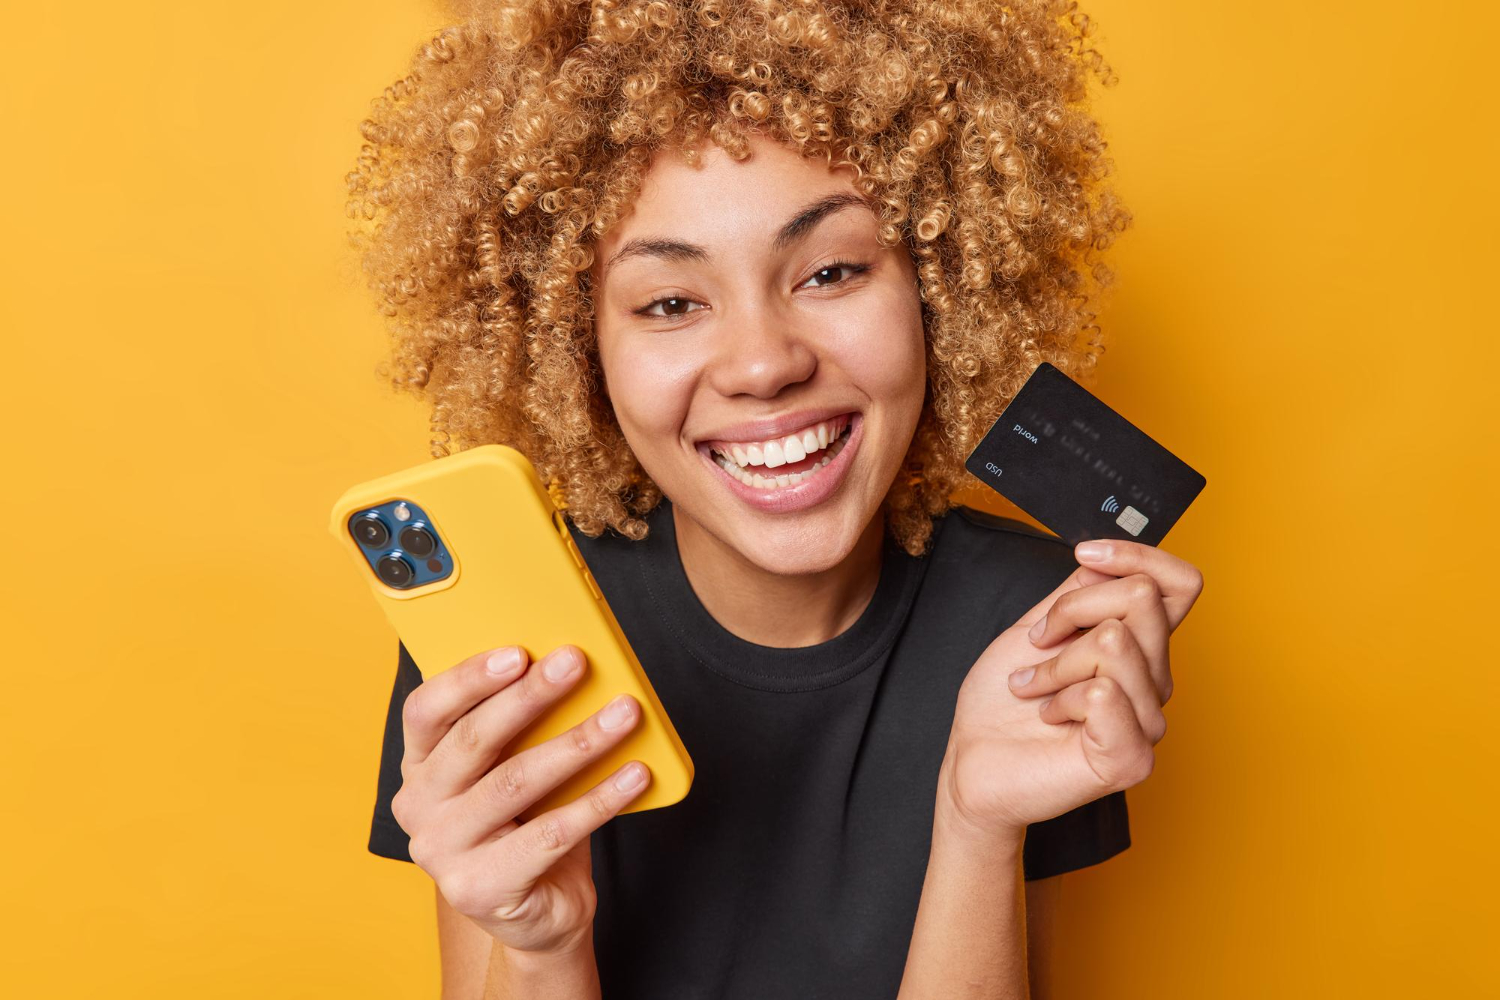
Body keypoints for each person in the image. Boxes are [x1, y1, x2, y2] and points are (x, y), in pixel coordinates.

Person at [346, 2, 1205, 997]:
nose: (762, 364)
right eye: (670, 301)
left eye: (833, 269)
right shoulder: (504, 650)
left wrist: (977, 826)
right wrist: (541, 948)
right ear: (578, 350)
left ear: (936, 289)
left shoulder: (1032, 626)